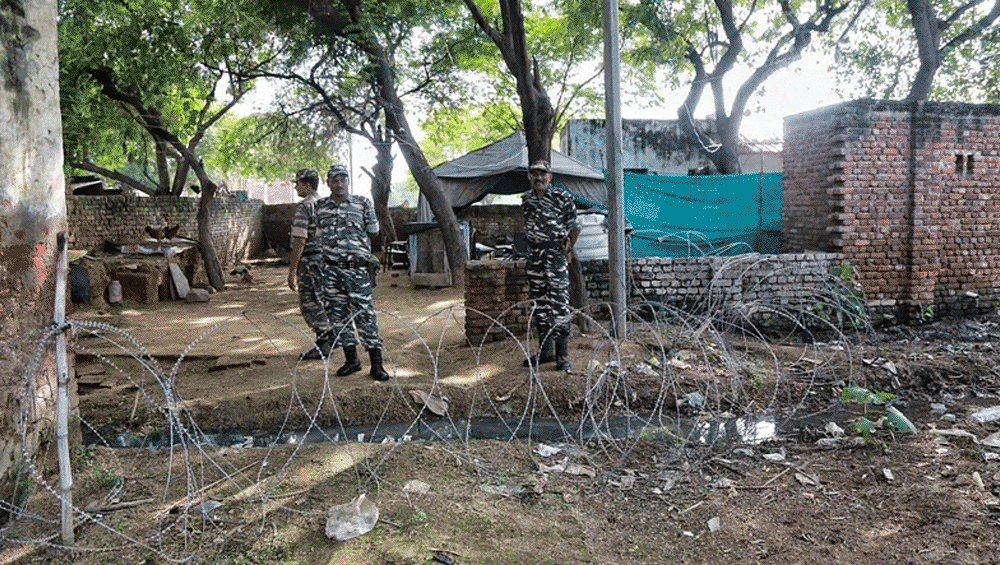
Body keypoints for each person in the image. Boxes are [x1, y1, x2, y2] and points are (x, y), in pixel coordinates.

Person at [308, 164, 389, 380]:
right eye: (335, 180)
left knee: (365, 316)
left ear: (348, 182)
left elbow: (374, 231)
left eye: (344, 179)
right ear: (329, 183)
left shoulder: (362, 203)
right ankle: (352, 360)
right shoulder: (320, 206)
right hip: (332, 271)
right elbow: (317, 234)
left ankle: (377, 364)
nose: (340, 183)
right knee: (339, 318)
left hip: (357, 271)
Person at [522, 159, 580, 372]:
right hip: (534, 256)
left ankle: (562, 355)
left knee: (559, 304)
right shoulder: (526, 199)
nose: (539, 178)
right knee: (540, 304)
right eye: (535, 174)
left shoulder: (562, 198)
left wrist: (568, 248)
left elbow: (575, 226)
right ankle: (546, 352)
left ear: (550, 176)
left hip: (555, 255)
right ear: (530, 177)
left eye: (543, 174)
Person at [286, 168, 331, 361]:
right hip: (326, 261)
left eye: (298, 183)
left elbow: (300, 241)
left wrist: (292, 270)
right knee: (323, 299)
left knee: (311, 304)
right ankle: (332, 338)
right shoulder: (326, 205)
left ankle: (323, 345)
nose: (296, 187)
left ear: (307, 185)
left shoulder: (305, 207)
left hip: (311, 262)